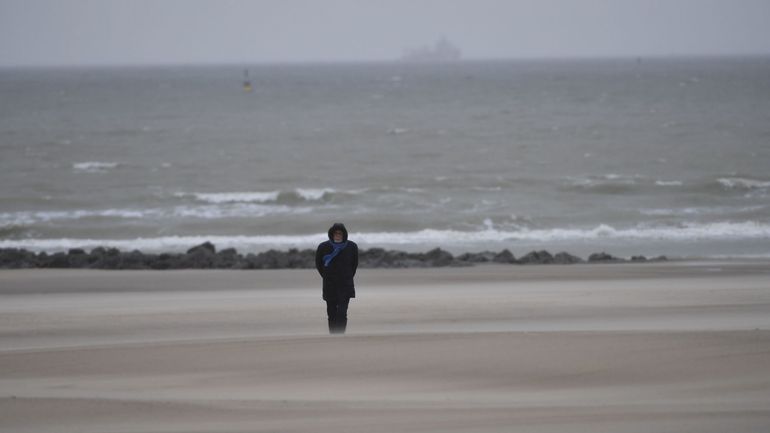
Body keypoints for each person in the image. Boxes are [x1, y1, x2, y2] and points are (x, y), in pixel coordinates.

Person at [315, 223, 358, 334]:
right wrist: (327, 276)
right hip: (330, 285)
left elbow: (354, 265)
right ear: (331, 234)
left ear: (344, 235)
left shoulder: (352, 247)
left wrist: (347, 276)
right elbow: (319, 265)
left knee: (342, 313)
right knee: (331, 312)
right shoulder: (323, 247)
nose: (338, 235)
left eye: (340, 233)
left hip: (345, 284)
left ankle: (340, 334)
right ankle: (333, 334)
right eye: (335, 233)